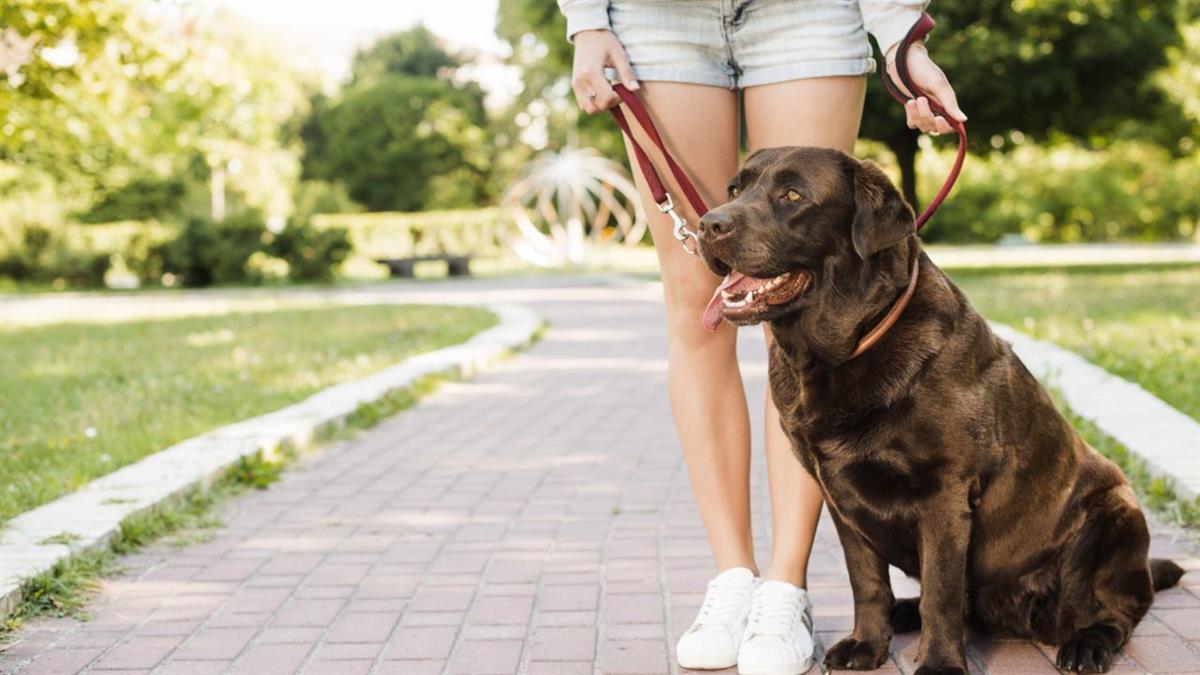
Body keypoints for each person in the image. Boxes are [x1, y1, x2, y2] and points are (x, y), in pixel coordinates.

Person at [556, 1, 965, 673]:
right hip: (655, 21)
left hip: (806, 11)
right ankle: (733, 577)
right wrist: (586, 20)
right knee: (696, 298)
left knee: (803, 298)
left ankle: (784, 585)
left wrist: (901, 37)